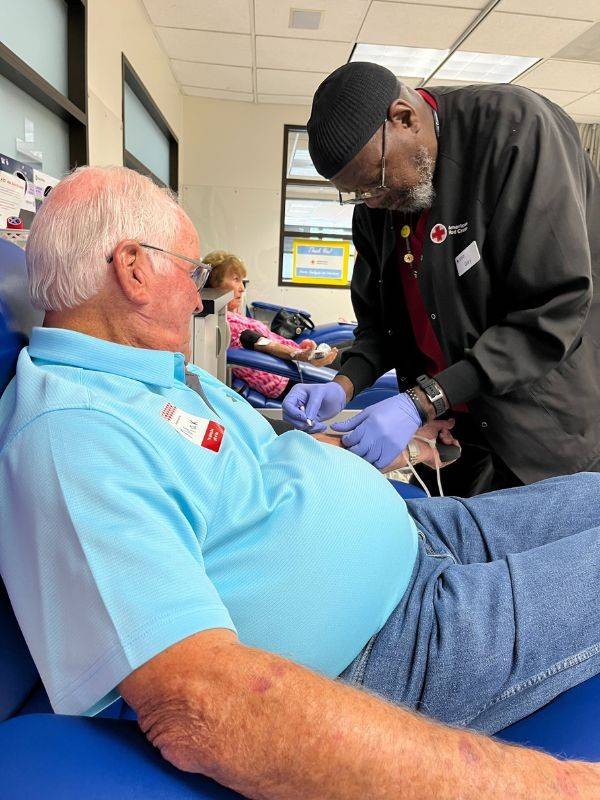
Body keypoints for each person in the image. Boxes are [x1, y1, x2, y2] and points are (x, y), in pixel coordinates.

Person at [1, 166, 599, 800]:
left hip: (422, 533)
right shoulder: (73, 435)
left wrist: (362, 441)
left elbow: (252, 483)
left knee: (592, 490)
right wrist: (560, 786)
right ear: (133, 269)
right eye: (193, 271)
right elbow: (202, 706)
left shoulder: (151, 378)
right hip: (401, 641)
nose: (201, 296)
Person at [283, 61, 600, 496]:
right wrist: (345, 382)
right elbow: (384, 326)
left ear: (405, 118)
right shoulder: (380, 200)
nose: (372, 203)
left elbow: (552, 312)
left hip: (540, 428)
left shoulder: (517, 132)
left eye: (375, 183)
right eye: (357, 195)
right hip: (451, 427)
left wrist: (422, 400)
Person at [203, 249, 338, 398]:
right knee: (350, 360)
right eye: (236, 279)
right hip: (283, 378)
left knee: (350, 353)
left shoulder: (231, 316)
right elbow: (267, 345)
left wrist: (298, 347)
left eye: (242, 280)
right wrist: (302, 355)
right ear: (214, 284)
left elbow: (268, 342)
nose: (242, 288)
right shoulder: (227, 324)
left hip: (288, 367)